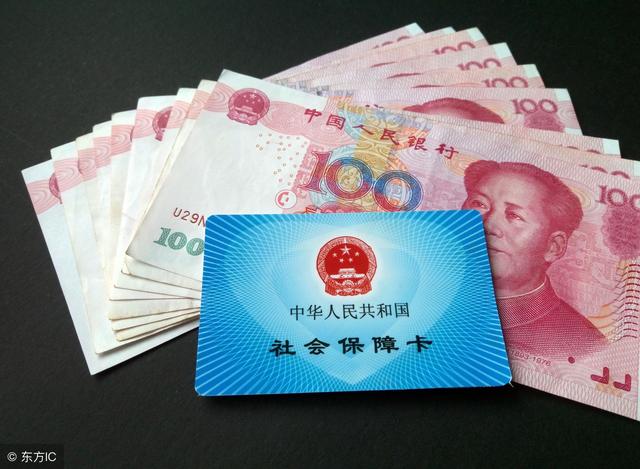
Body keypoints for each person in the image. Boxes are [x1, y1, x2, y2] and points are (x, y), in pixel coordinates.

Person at [461, 160, 607, 359]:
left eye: (514, 215)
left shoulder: (582, 345)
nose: (487, 224)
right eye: (479, 204)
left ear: (553, 247)